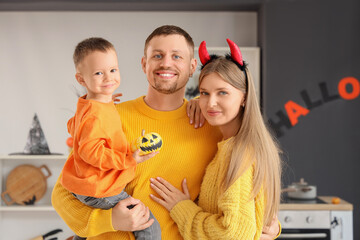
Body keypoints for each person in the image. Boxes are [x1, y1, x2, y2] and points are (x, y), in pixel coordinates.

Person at [52, 25, 281, 240]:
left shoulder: (211, 128)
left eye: (177, 56)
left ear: (192, 67)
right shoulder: (110, 116)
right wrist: (108, 219)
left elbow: (236, 204)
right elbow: (63, 195)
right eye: (157, 56)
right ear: (144, 64)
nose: (166, 64)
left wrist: (271, 229)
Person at [149, 39, 282, 239]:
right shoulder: (239, 142)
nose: (211, 103)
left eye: (222, 93)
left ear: (244, 97)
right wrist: (194, 103)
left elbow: (232, 233)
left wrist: (181, 208)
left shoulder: (239, 154)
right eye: (204, 93)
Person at [60, 37, 161, 240]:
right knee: (148, 224)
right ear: (81, 79)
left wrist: (104, 103)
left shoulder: (90, 105)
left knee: (91, 230)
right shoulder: (95, 114)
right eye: (99, 73)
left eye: (113, 70)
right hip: (98, 188)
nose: (109, 78)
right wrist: (129, 160)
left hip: (83, 186)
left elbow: (73, 126)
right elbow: (91, 152)